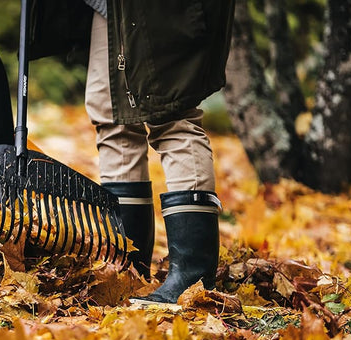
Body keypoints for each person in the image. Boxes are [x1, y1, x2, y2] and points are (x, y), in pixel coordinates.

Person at [81, 0, 235, 303]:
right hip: (108, 8)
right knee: (113, 118)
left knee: (171, 113)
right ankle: (127, 269)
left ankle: (191, 279)